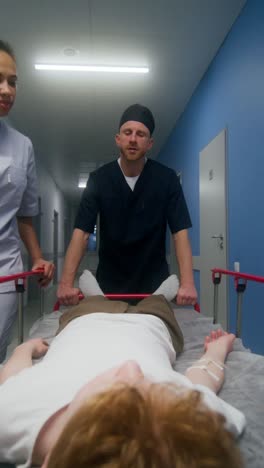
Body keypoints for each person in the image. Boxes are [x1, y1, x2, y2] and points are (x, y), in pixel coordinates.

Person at [0, 272, 245, 468]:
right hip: (150, 327)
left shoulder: (13, 419)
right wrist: (216, 351)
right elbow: (203, 381)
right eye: (146, 392)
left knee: (91, 303)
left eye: (109, 395)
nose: (131, 367)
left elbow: (11, 378)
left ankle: (95, 295)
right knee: (158, 305)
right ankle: (159, 296)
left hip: (86, 322)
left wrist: (25, 349)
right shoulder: (188, 431)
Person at [57, 103, 197, 306]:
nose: (133, 139)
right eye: (128, 132)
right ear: (118, 139)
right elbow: (82, 232)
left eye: (141, 134)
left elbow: (180, 232)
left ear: (150, 143)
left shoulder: (166, 179)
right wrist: (65, 283)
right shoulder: (99, 179)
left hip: (155, 288)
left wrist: (188, 283)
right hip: (108, 288)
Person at [0, 40, 54, 362]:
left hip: (4, 271)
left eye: (12, 82)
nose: (6, 90)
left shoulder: (23, 146)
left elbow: (25, 215)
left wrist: (36, 258)